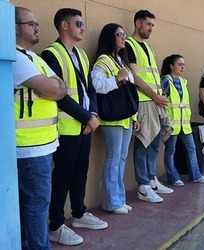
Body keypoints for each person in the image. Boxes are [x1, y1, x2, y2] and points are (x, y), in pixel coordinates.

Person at [41, 8, 108, 246]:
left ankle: (79, 213)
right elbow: (58, 94)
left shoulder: (81, 54)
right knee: (62, 177)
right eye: (78, 23)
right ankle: (56, 225)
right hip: (66, 127)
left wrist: (94, 115)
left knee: (80, 173)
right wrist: (86, 117)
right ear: (64, 25)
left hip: (85, 125)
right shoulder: (50, 54)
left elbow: (89, 88)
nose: (83, 27)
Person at [13, 7, 68, 249]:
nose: (37, 27)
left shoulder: (35, 58)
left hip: (43, 144)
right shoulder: (14, 58)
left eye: (37, 23)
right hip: (28, 147)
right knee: (37, 204)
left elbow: (61, 87)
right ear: (14, 28)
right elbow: (55, 90)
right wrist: (51, 88)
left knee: (32, 203)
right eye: (30, 24)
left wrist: (51, 87)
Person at [125, 10, 174, 203]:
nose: (151, 28)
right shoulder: (129, 44)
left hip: (156, 101)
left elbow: (153, 74)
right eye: (148, 25)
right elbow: (135, 77)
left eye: (153, 25)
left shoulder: (149, 47)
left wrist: (159, 96)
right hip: (144, 101)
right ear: (138, 23)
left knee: (155, 143)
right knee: (143, 143)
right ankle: (143, 186)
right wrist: (154, 96)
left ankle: (152, 179)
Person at [91, 23, 140, 214]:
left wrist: (134, 116)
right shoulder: (103, 60)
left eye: (124, 34)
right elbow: (96, 85)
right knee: (113, 159)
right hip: (112, 118)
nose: (123, 37)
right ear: (110, 37)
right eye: (120, 34)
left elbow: (129, 93)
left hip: (126, 117)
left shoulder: (120, 60)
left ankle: (118, 199)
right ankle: (111, 202)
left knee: (121, 158)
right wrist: (117, 79)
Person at [160, 54, 204, 186]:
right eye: (179, 64)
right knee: (170, 151)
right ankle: (173, 177)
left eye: (184, 64)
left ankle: (195, 175)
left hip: (185, 125)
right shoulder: (165, 81)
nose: (183, 67)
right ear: (171, 66)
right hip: (171, 124)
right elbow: (161, 101)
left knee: (192, 149)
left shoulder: (183, 81)